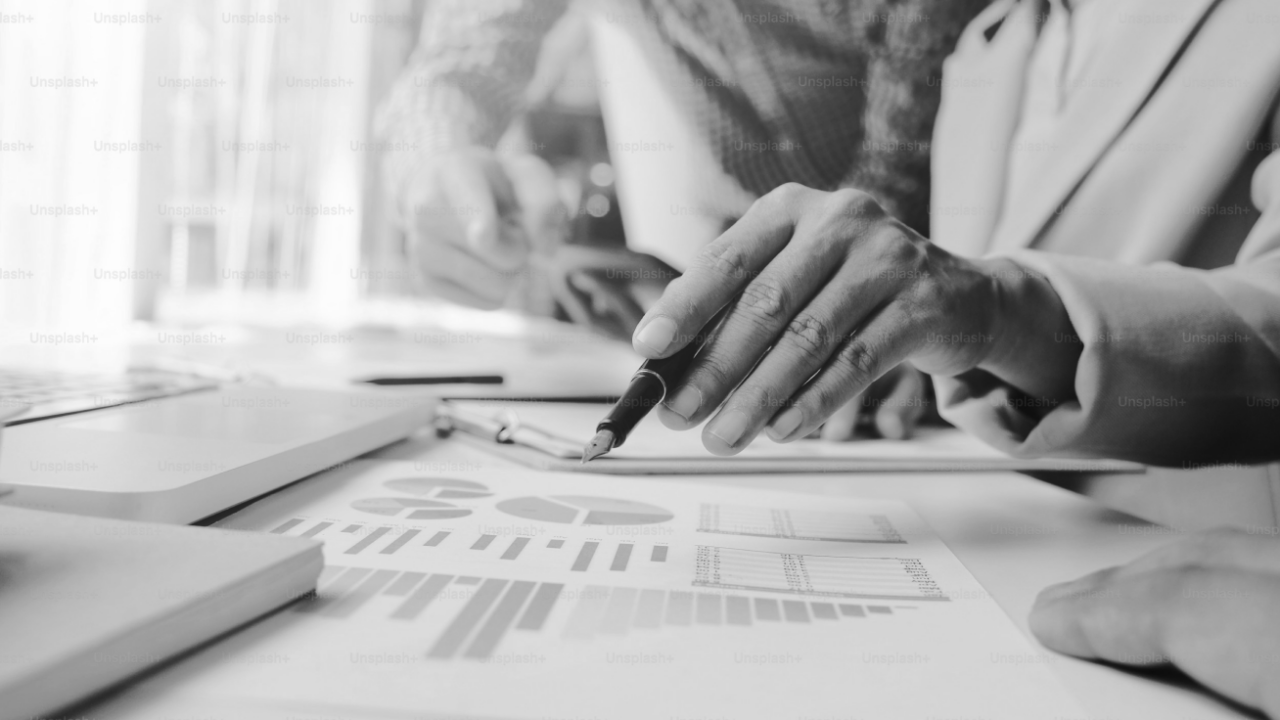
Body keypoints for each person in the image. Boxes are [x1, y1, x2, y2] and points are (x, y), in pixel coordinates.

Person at [628, 0, 1280, 714]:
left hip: (1197, 613)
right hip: (1001, 568)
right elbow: (971, 317)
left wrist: (997, 311)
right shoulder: (985, 44)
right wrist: (908, 346)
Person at [376, 0, 990, 439]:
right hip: (804, 344)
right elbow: (456, 65)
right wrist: (435, 168)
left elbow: (894, 178)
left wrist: (850, 312)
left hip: (982, 301)